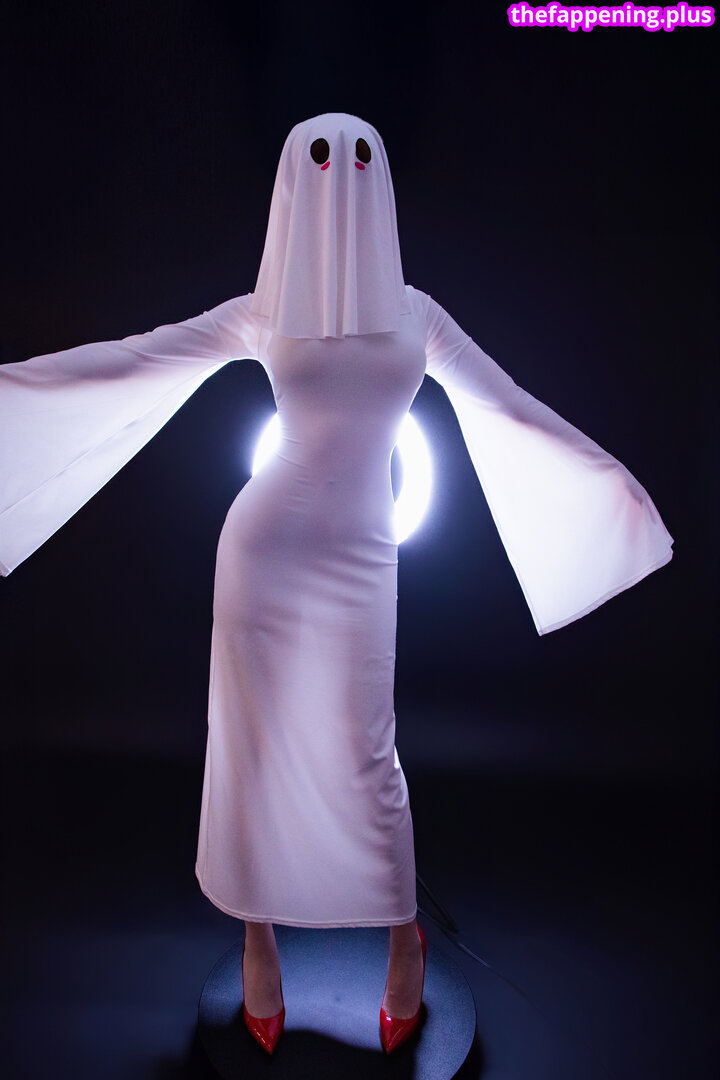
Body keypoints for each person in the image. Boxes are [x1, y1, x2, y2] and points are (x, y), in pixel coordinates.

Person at [0, 112, 673, 1056]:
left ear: (382, 180)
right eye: (319, 158)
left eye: (360, 158)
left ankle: (404, 938)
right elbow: (136, 358)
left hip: (362, 563)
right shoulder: (267, 310)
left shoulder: (416, 316)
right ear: (291, 182)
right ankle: (259, 944)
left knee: (365, 755)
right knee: (254, 753)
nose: (340, 176)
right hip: (260, 561)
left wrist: (606, 478)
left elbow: (507, 407)